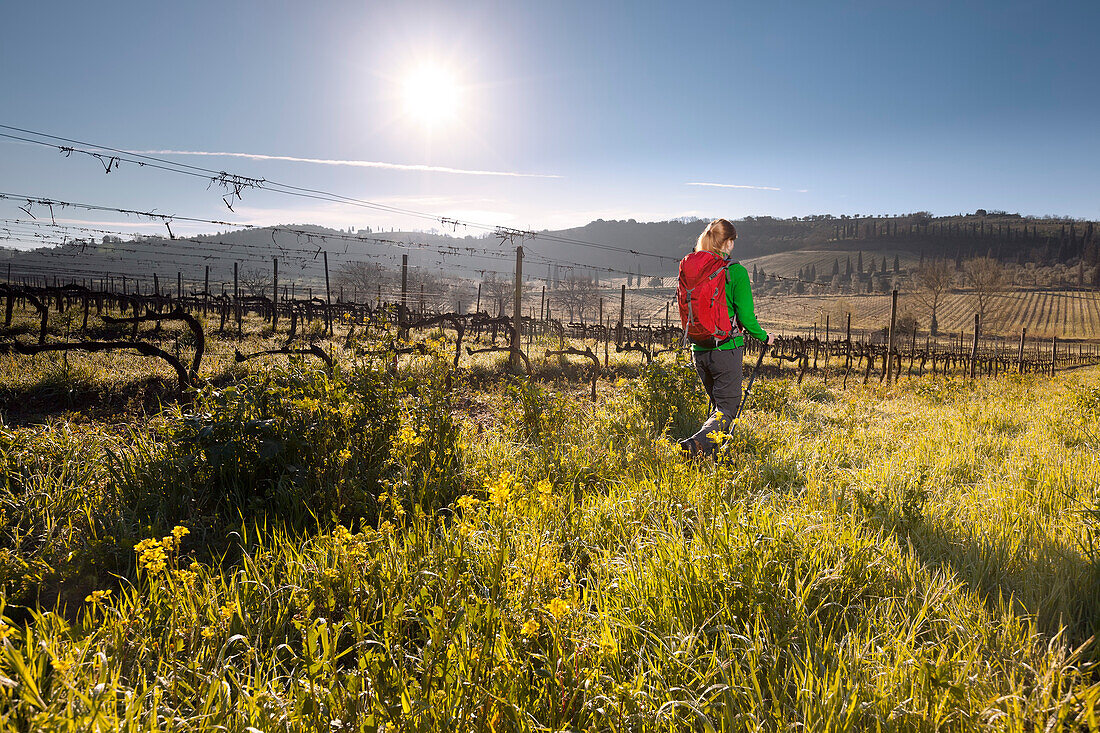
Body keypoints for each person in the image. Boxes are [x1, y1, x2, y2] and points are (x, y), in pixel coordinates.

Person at [680, 219, 772, 456]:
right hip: (726, 349)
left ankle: (713, 456)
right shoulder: (736, 271)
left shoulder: (692, 268)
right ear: (729, 242)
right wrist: (765, 337)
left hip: (698, 348)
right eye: (733, 241)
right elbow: (747, 319)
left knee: (716, 406)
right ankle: (694, 446)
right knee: (727, 409)